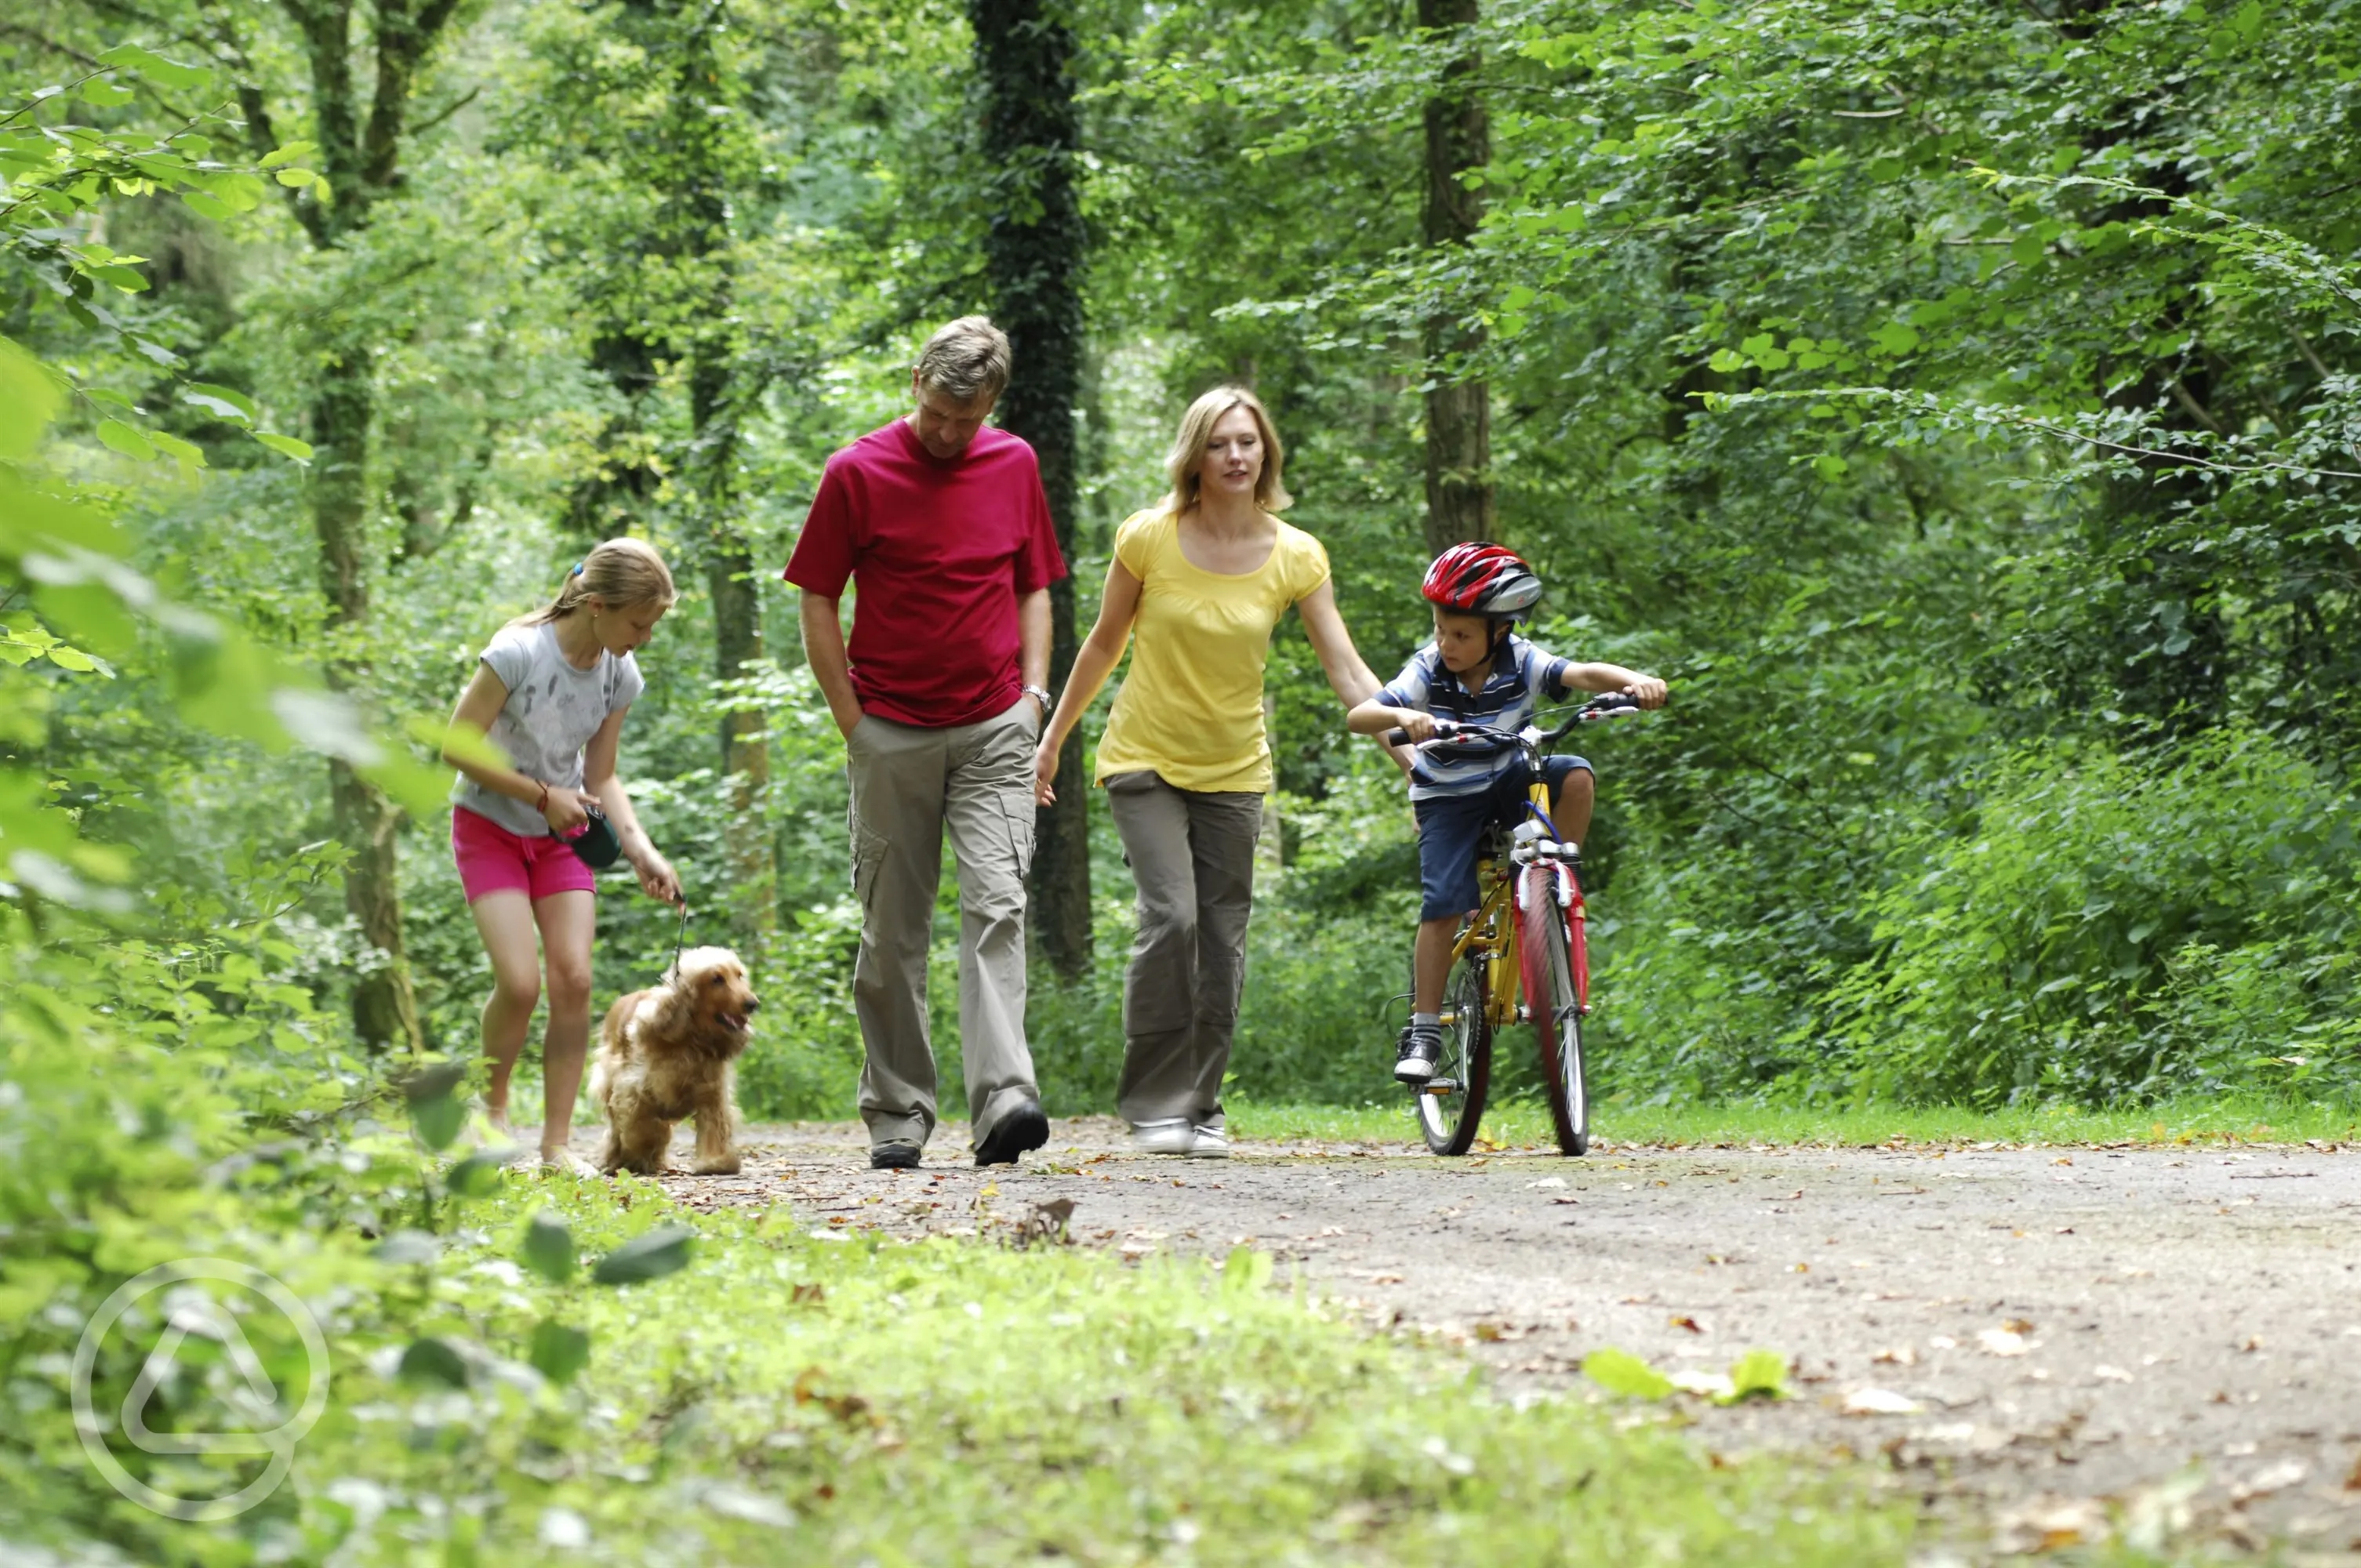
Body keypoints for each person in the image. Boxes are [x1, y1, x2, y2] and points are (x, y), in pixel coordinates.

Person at [1035, 386, 1398, 1157]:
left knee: (1223, 940)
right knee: (1173, 917)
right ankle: (1154, 1099)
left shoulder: (1296, 554)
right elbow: (1102, 643)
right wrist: (1053, 736)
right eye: (1218, 443)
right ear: (1193, 455)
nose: (1236, 455)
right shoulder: (1147, 538)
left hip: (1235, 768)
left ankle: (1200, 1104)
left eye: (1247, 441)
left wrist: (1406, 744)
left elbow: (1346, 668)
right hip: (1143, 758)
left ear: (1265, 451)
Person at [786, 316, 1065, 1171]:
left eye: (967, 417)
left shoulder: (1012, 462)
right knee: (891, 929)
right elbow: (817, 598)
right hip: (890, 730)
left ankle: (1004, 1098)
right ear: (916, 382)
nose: (950, 433)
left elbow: (1033, 585)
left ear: (991, 405)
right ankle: (899, 1111)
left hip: (992, 727)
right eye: (940, 413)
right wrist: (852, 722)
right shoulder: (855, 472)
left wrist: (1031, 695)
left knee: (997, 907)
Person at [1346, 543, 1668, 1085]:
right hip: (1446, 796)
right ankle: (1423, 1028)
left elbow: (1583, 673)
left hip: (1508, 775)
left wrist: (1634, 681)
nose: (1446, 643)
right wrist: (1405, 715)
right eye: (1440, 630)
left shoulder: (1523, 660)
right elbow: (1362, 714)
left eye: (1461, 634)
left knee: (1575, 774)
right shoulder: (1428, 669)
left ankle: (1555, 885)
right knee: (1443, 904)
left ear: (1499, 632)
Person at [441, 536, 684, 1171]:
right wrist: (541, 794)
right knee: (521, 984)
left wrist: (643, 852)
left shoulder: (618, 672)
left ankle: (554, 1146)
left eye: (652, 623)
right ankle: (491, 1118)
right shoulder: (517, 652)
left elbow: (602, 777)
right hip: (490, 826)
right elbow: (458, 747)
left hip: (563, 838)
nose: (645, 636)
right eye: (639, 622)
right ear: (596, 605)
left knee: (574, 981)